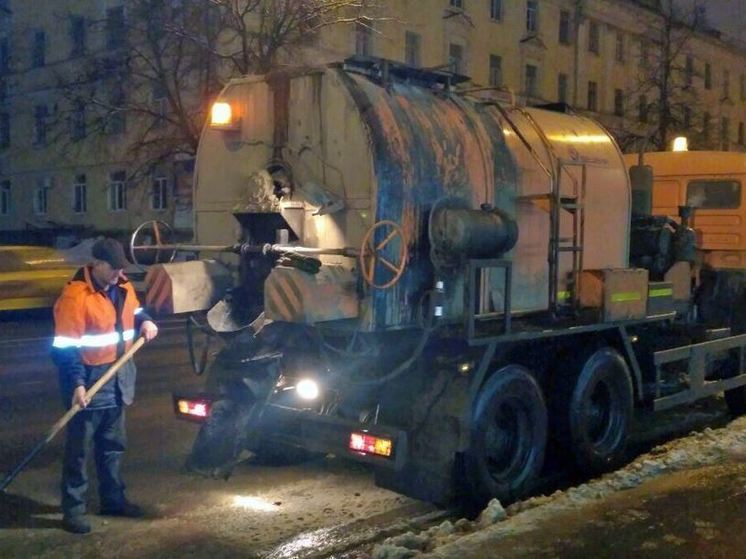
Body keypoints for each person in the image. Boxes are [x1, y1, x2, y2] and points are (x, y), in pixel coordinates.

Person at [51, 238, 158, 534]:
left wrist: (145, 321)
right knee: (79, 450)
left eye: (120, 269)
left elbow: (134, 312)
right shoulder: (76, 296)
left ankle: (113, 500)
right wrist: (76, 385)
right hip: (88, 378)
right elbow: (64, 348)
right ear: (96, 264)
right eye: (113, 268)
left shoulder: (122, 286)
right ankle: (73, 509)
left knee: (113, 446)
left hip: (118, 375)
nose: (117, 274)